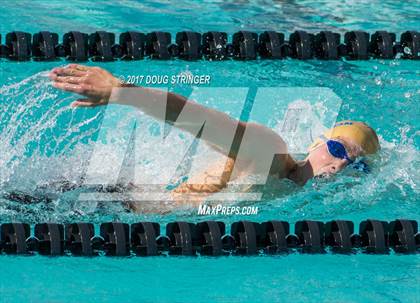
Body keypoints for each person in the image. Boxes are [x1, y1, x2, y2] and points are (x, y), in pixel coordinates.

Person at [48, 64, 380, 209]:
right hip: (115, 204)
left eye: (355, 165)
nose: (339, 165)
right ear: (316, 143)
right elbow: (199, 120)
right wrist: (122, 91)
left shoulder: (299, 198)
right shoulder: (270, 151)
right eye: (337, 149)